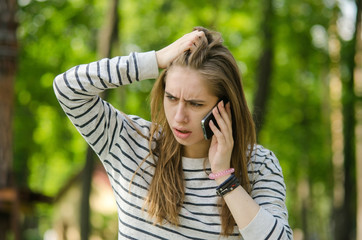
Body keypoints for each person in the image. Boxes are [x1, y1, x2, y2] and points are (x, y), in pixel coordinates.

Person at [54, 27, 292, 239]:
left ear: (225, 107)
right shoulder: (131, 142)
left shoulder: (259, 164)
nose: (179, 117)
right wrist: (155, 59)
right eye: (171, 98)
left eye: (195, 104)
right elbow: (67, 88)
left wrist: (224, 176)